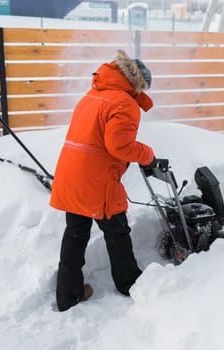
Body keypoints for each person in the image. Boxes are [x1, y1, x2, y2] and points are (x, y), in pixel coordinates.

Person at [50, 50, 158, 312]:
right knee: (117, 232)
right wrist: (147, 156)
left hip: (71, 176)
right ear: (135, 84)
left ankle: (68, 295)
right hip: (98, 181)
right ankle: (129, 283)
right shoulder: (123, 103)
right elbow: (119, 146)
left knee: (75, 235)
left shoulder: (93, 94)